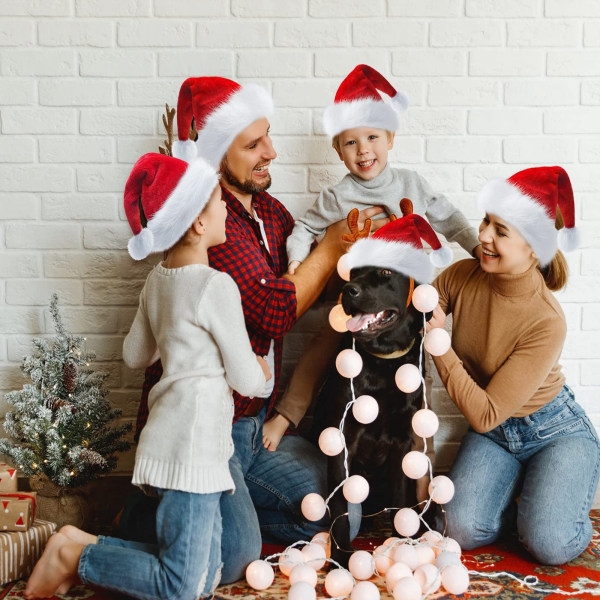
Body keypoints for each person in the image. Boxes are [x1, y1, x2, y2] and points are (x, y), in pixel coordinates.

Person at [127, 77, 388, 583]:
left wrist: (371, 257)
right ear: (214, 157)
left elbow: (313, 282)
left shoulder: (266, 210)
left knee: (344, 510)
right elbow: (275, 310)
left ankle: (207, 510)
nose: (272, 151)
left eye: (267, 135)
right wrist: (330, 251)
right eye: (253, 144)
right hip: (206, 431)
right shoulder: (206, 229)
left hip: (253, 429)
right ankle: (156, 515)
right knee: (235, 556)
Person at [25, 153, 270, 600]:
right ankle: (75, 560)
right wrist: (266, 374)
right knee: (184, 586)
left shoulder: (158, 280)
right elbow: (248, 380)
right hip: (192, 453)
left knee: (207, 569)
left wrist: (176, 334)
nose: (225, 211)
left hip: (166, 441)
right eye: (219, 202)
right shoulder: (216, 285)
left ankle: (77, 543)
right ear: (198, 223)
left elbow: (134, 355)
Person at [262, 65, 481, 455]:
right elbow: (304, 228)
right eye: (350, 143)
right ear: (337, 150)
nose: (363, 150)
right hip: (363, 296)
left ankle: (418, 465)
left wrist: (474, 247)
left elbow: (447, 216)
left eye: (372, 137)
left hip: (410, 297)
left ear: (391, 138)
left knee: (423, 361)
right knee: (326, 341)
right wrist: (296, 259)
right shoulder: (337, 197)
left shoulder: (411, 183)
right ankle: (286, 414)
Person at [427, 165, 600, 565]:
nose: (483, 235)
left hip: (554, 430)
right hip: (497, 436)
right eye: (487, 221)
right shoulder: (464, 275)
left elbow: (485, 413)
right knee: (458, 528)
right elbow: (424, 304)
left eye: (500, 231)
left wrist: (439, 343)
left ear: (534, 248)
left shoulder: (546, 321)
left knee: (550, 545)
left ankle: (553, 500)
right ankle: (523, 496)